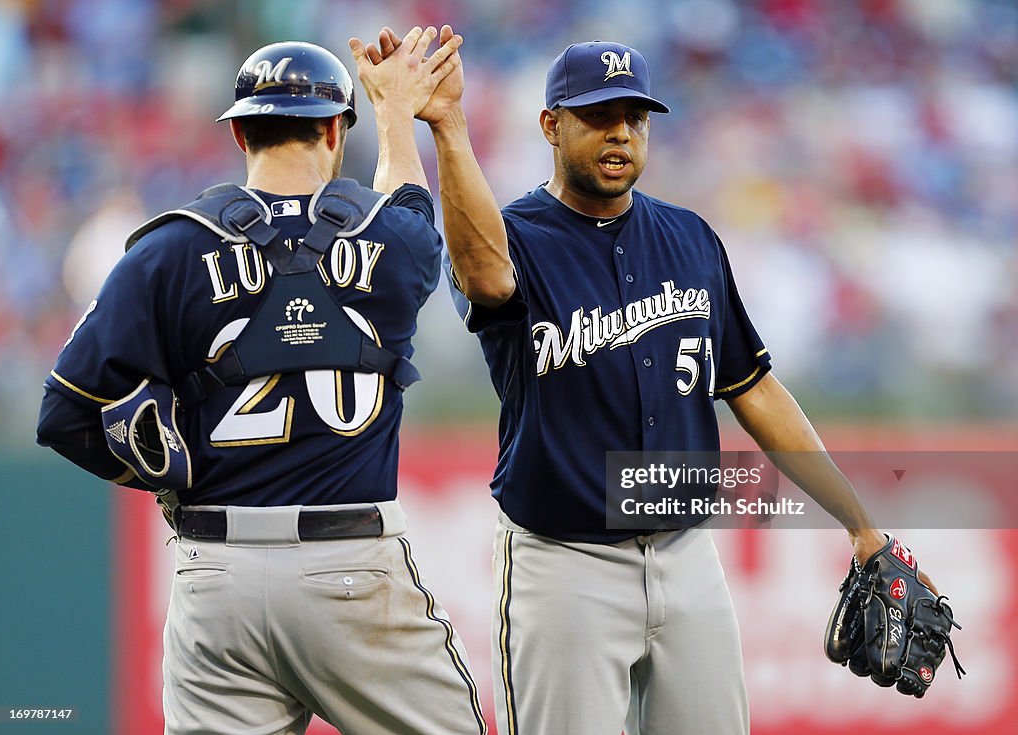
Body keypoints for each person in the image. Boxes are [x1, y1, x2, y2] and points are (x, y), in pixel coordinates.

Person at [368, 29, 943, 734]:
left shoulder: (690, 238)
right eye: (599, 116)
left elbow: (754, 387)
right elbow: (484, 277)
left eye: (634, 118)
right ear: (551, 125)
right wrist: (449, 127)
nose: (621, 134)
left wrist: (860, 524)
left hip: (686, 555)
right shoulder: (511, 235)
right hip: (563, 562)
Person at [36, 32, 489, 735]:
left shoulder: (167, 249)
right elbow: (409, 204)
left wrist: (163, 469)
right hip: (352, 568)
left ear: (240, 130)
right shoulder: (391, 240)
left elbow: (64, 414)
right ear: (337, 131)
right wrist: (396, 112)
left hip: (217, 572)